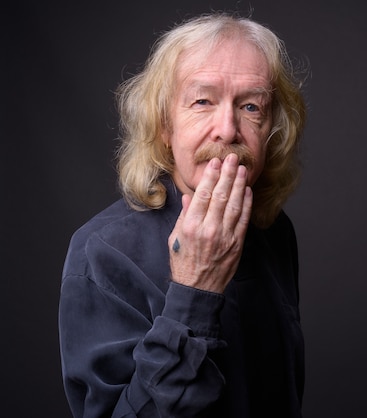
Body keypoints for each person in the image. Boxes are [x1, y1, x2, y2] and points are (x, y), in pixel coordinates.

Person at [58, 12, 307, 418]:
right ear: (164, 126)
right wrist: (193, 292)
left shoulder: (275, 231)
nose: (227, 130)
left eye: (250, 106)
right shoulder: (101, 254)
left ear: (271, 129)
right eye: (202, 101)